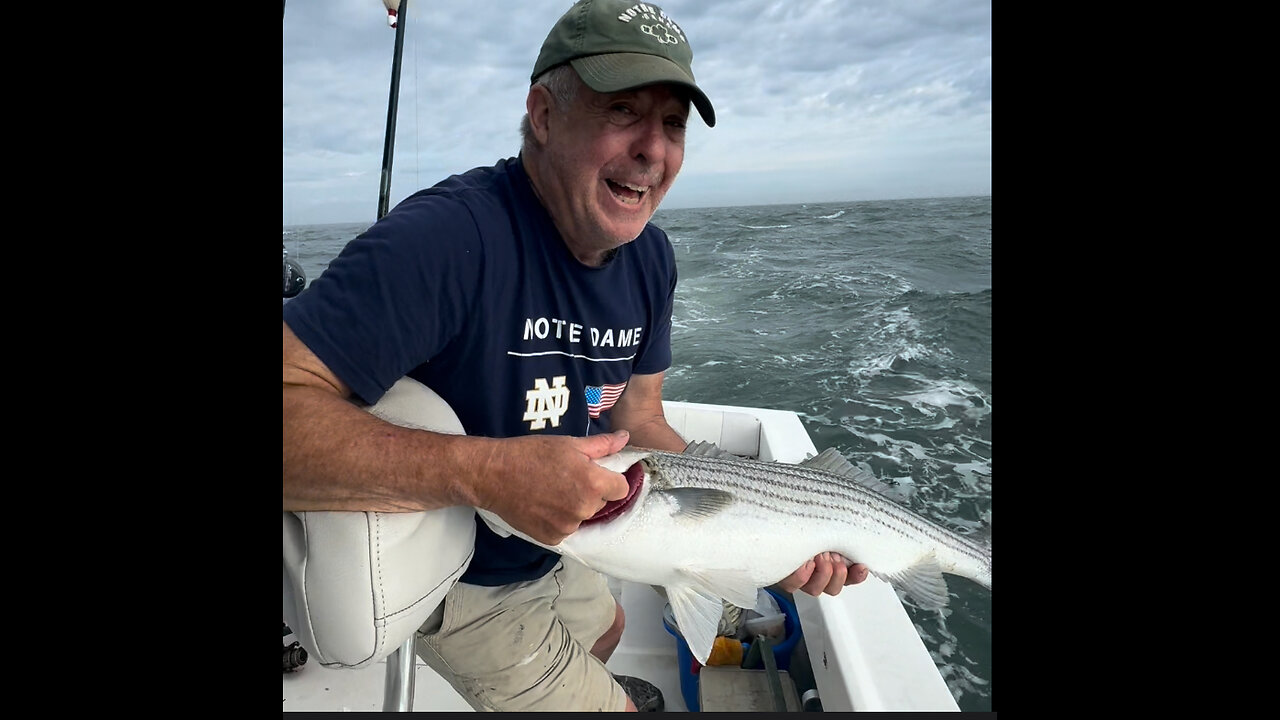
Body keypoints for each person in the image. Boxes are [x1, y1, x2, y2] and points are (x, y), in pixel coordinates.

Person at [282, 0, 869, 711]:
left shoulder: (649, 258)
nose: (654, 148)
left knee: (613, 624)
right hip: (461, 572)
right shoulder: (443, 240)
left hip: (567, 542)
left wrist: (768, 528)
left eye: (674, 124)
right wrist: (490, 475)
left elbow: (641, 416)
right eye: (624, 110)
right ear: (544, 113)